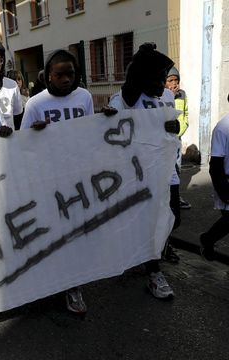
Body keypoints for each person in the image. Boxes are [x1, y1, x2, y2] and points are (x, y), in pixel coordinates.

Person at [19, 49, 101, 314]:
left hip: (77, 177)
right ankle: (51, 280)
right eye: (59, 75)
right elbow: (22, 145)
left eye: (70, 74)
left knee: (76, 233)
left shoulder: (85, 97)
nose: (66, 79)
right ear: (47, 77)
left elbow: (89, 134)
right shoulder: (35, 104)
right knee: (53, 232)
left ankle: (72, 285)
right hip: (49, 179)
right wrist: (34, 133)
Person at [108, 42, 181, 300]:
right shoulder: (125, 101)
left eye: (165, 79)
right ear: (142, 77)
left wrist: (173, 130)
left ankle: (145, 253)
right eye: (159, 79)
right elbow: (112, 135)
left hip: (167, 170)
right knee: (150, 223)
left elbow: (172, 130)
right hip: (139, 175)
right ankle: (153, 272)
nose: (164, 85)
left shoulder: (169, 97)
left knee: (173, 219)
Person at [200, 94, 229, 261]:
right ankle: (208, 239)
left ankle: (208, 239)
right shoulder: (223, 128)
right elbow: (215, 165)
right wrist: (224, 191)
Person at [165, 67, 191, 210]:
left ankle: (176, 196)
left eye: (176, 80)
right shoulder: (161, 97)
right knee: (166, 169)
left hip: (177, 139)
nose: (174, 84)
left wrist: (182, 128)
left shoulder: (182, 94)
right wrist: (170, 96)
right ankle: (166, 198)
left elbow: (185, 113)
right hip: (165, 141)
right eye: (170, 81)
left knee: (177, 168)